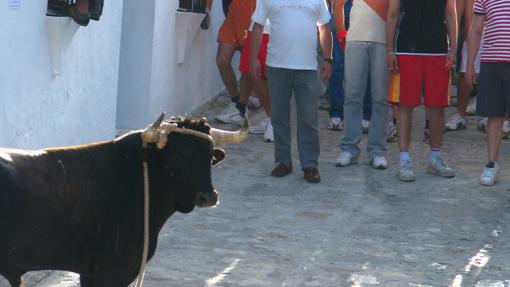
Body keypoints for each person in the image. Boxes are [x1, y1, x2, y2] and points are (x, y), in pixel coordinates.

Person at [250, 0, 333, 183]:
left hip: (307, 67)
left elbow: (325, 27)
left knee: (309, 119)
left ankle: (310, 165)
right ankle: (283, 161)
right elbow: (258, 26)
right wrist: (253, 57)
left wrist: (328, 58)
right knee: (279, 117)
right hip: (277, 66)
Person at [387, 0, 458, 182]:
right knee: (405, 105)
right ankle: (404, 160)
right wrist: (389, 51)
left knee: (437, 106)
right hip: (407, 48)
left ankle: (435, 158)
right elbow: (393, 13)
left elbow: (451, 13)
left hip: (438, 48)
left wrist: (453, 49)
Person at [334, 0, 391, 170]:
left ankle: (377, 151)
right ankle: (349, 149)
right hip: (355, 39)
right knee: (353, 95)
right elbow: (337, 4)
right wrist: (341, 34)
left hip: (384, 41)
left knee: (381, 98)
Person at [466, 0, 510, 186]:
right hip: (491, 62)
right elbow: (476, 30)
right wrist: (470, 64)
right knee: (494, 115)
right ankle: (491, 164)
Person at [327, 0, 373, 132]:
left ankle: (366, 115)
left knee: (366, 66)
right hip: (339, 12)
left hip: (364, 15)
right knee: (337, 65)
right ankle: (336, 113)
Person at [215, 0, 257, 125]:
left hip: (251, 14)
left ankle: (241, 108)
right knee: (222, 60)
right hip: (233, 16)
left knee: (246, 64)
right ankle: (236, 100)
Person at [445, 0, 478, 131]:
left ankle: (493, 117)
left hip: (498, 33)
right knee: (465, 72)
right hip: (473, 31)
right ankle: (460, 115)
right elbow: (457, 13)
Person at [240, 20, 274, 142]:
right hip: (257, 26)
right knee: (254, 75)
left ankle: (274, 121)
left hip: (281, 30)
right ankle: (272, 119)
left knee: (276, 78)